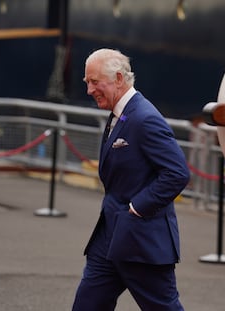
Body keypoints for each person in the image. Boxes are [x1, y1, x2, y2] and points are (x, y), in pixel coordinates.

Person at [72, 48, 190, 311]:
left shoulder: (145, 118)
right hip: (109, 238)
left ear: (118, 78)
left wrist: (137, 208)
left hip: (140, 239)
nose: (90, 90)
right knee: (87, 305)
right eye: (87, 83)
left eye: (94, 82)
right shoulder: (120, 113)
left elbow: (177, 173)